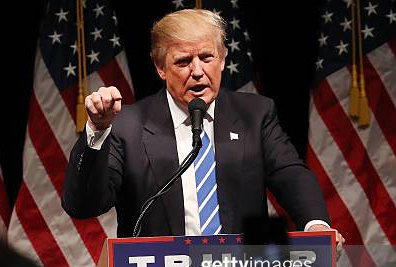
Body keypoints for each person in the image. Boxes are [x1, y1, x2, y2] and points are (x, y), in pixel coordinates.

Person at [62, 9, 344, 245]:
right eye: (183, 61)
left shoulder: (255, 114)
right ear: (161, 68)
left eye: (206, 57)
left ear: (222, 60)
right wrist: (98, 131)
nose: (197, 71)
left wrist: (315, 224)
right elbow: (83, 206)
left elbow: (289, 173)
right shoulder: (127, 125)